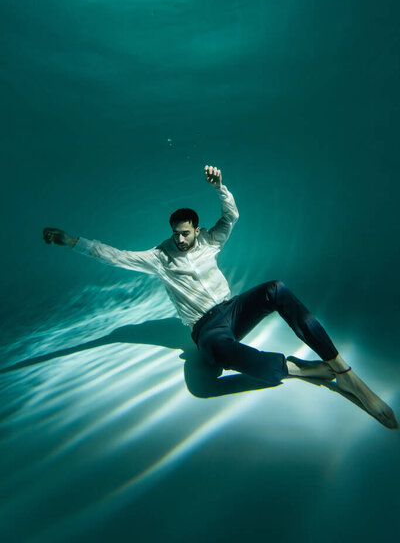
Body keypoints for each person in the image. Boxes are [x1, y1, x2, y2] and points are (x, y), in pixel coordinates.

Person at [43, 165, 398, 429]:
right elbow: (115, 255)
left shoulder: (210, 240)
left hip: (234, 309)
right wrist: (73, 242)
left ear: (196, 230)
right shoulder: (159, 257)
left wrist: (220, 186)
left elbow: (232, 215)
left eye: (185, 234)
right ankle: (298, 368)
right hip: (207, 328)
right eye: (175, 235)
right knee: (211, 364)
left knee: (276, 287)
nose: (180, 240)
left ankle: (343, 371)